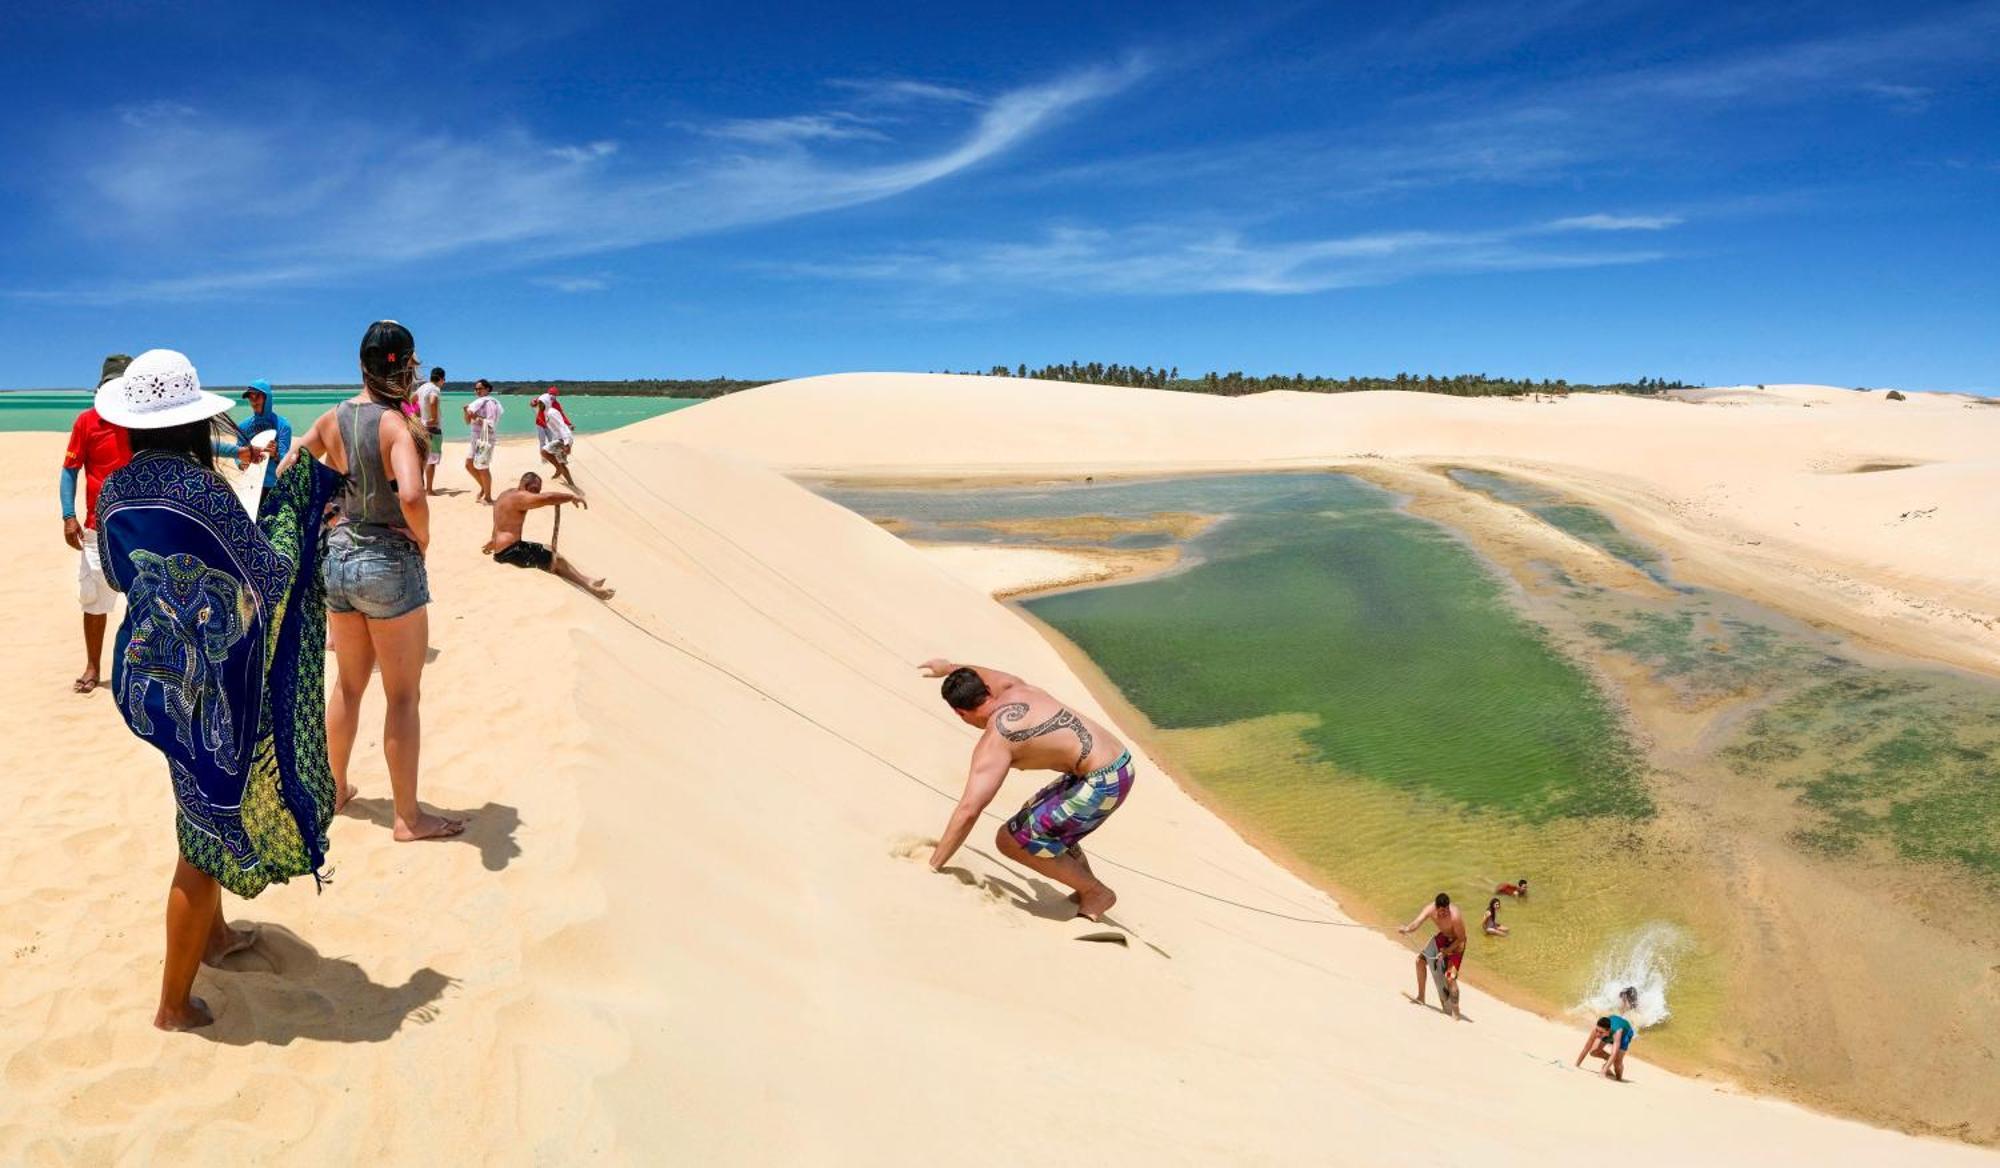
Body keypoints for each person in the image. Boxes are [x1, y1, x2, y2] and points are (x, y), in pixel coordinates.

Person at [94, 350, 343, 1030]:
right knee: (201, 840)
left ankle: (218, 936)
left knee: (193, 803)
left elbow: (119, 576)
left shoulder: (115, 489)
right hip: (208, 695)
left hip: (146, 680)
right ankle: (173, 1005)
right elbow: (264, 577)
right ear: (193, 424)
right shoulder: (204, 490)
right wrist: (296, 516)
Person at [281, 319, 462, 841]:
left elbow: (294, 460)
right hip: (387, 562)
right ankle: (407, 817)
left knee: (350, 686)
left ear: (361, 364)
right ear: (407, 367)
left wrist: (318, 512)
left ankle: (335, 789)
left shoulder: (335, 416)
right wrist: (422, 538)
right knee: (403, 696)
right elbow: (410, 494)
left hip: (337, 562)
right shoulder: (395, 426)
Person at [917, 658, 1137, 922]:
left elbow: (969, 809)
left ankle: (1096, 893)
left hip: (1104, 781)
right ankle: (1083, 887)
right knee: (1032, 819)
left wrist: (933, 865)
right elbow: (980, 673)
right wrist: (951, 667)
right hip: (1114, 762)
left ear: (960, 713)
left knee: (1011, 840)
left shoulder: (997, 739)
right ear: (986, 689)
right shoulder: (1013, 687)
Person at [59, 354, 134, 694]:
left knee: (147, 600)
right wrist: (67, 514)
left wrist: (236, 451)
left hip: (139, 526)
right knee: (94, 600)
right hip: (96, 529)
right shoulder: (87, 422)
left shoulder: (142, 420)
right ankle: (93, 666)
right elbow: (70, 470)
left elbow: (189, 445)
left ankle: (144, 668)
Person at [483, 472, 614, 598]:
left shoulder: (505, 495)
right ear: (524, 485)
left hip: (503, 549)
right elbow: (547, 498)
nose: (536, 494)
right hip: (512, 552)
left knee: (548, 549)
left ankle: (587, 579)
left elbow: (500, 522)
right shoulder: (520, 496)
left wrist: (493, 541)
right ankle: (589, 587)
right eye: (534, 489)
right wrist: (571, 497)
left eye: (538, 490)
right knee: (556, 560)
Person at [1399, 892, 1468, 1018]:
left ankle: (1456, 1012)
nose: (1442, 914)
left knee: (1450, 978)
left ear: (1448, 907)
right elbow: (1417, 922)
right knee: (1420, 961)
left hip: (1457, 944)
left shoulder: (1455, 916)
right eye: (1440, 911)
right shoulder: (1430, 909)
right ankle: (1421, 997)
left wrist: (1447, 951)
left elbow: (1462, 938)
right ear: (1436, 907)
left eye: (1445, 911)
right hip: (1443, 938)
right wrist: (1407, 929)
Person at [236, 378, 293, 489]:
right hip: (251, 484)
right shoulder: (243, 426)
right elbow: (237, 451)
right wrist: (241, 464)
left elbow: (285, 460)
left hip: (274, 485)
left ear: (267, 398)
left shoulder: (283, 425)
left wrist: (275, 454)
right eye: (250, 397)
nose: (253, 401)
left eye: (257, 396)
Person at [463, 378, 503, 504]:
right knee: (469, 464)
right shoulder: (477, 403)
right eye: (476, 389)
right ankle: (484, 488)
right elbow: (467, 422)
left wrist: (475, 416)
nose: (477, 391)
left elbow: (490, 424)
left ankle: (488, 497)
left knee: (483, 467)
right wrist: (466, 412)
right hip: (475, 438)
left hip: (486, 438)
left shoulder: (489, 403)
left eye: (480, 388)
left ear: (487, 389)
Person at [532, 386, 577, 490]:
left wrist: (567, 444)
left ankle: (570, 482)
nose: (539, 405)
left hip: (564, 439)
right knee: (549, 454)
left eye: (541, 403)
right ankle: (563, 473)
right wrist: (534, 403)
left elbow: (562, 427)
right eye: (539, 403)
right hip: (560, 438)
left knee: (549, 454)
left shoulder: (552, 412)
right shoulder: (546, 410)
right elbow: (533, 403)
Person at [1577, 1013, 1637, 1080]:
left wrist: (1603, 1072)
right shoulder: (1598, 1030)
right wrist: (1577, 1064)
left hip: (1625, 1034)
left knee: (1617, 1063)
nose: (1597, 1034)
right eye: (1597, 1030)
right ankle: (1609, 1062)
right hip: (1611, 1027)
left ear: (1608, 1031)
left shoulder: (1617, 1033)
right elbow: (1586, 1047)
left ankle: (1619, 1078)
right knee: (1593, 1051)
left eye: (1600, 1032)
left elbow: (1614, 1053)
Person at [414, 366, 445, 494]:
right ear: (442, 379)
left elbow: (410, 401)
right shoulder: (434, 389)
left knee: (421, 459)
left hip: (421, 427)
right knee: (431, 460)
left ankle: (420, 487)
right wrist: (433, 418)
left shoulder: (422, 387)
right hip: (432, 428)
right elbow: (433, 401)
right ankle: (429, 490)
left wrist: (415, 416)